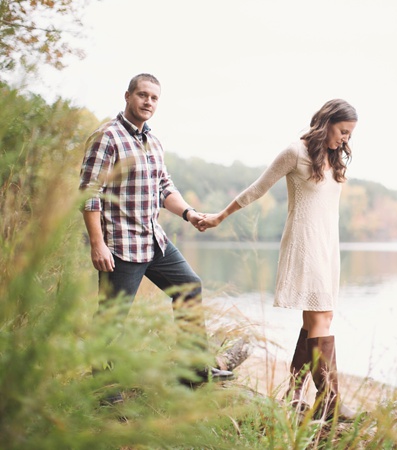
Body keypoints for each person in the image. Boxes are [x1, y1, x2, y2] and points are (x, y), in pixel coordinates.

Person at [196, 99, 358, 421]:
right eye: (343, 131)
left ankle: (295, 393)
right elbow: (258, 188)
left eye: (350, 135)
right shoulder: (294, 152)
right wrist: (219, 216)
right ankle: (329, 400)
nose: (345, 140)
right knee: (321, 318)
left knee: (313, 322)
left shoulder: (333, 157)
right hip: (304, 243)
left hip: (327, 245)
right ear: (326, 123)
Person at [78, 73, 233, 388]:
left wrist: (189, 213)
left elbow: (164, 188)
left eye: (154, 97)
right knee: (112, 318)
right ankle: (104, 389)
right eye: (142, 95)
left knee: (189, 286)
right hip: (120, 245)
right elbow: (89, 194)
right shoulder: (106, 137)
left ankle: (192, 370)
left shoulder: (153, 141)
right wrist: (98, 244)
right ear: (128, 96)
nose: (148, 102)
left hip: (154, 241)